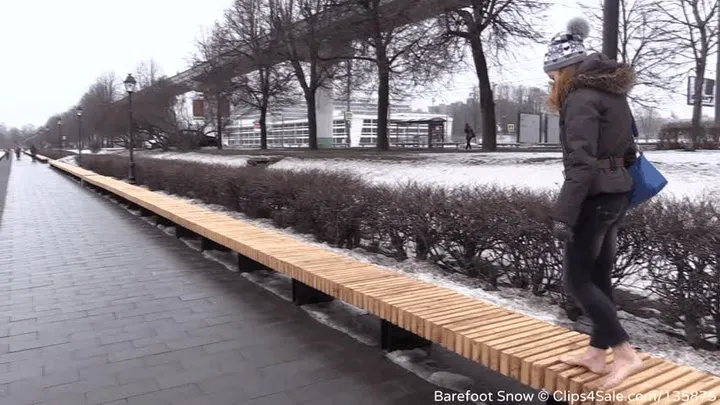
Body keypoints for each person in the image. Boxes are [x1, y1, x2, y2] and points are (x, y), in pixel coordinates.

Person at [544, 17, 642, 390]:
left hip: (594, 197)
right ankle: (597, 354)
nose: (552, 81)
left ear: (565, 69)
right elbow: (629, 149)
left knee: (578, 280)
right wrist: (616, 178)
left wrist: (563, 216)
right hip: (616, 194)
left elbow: (580, 164)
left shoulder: (580, 99)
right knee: (599, 277)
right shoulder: (613, 93)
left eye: (554, 74)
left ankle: (625, 352)